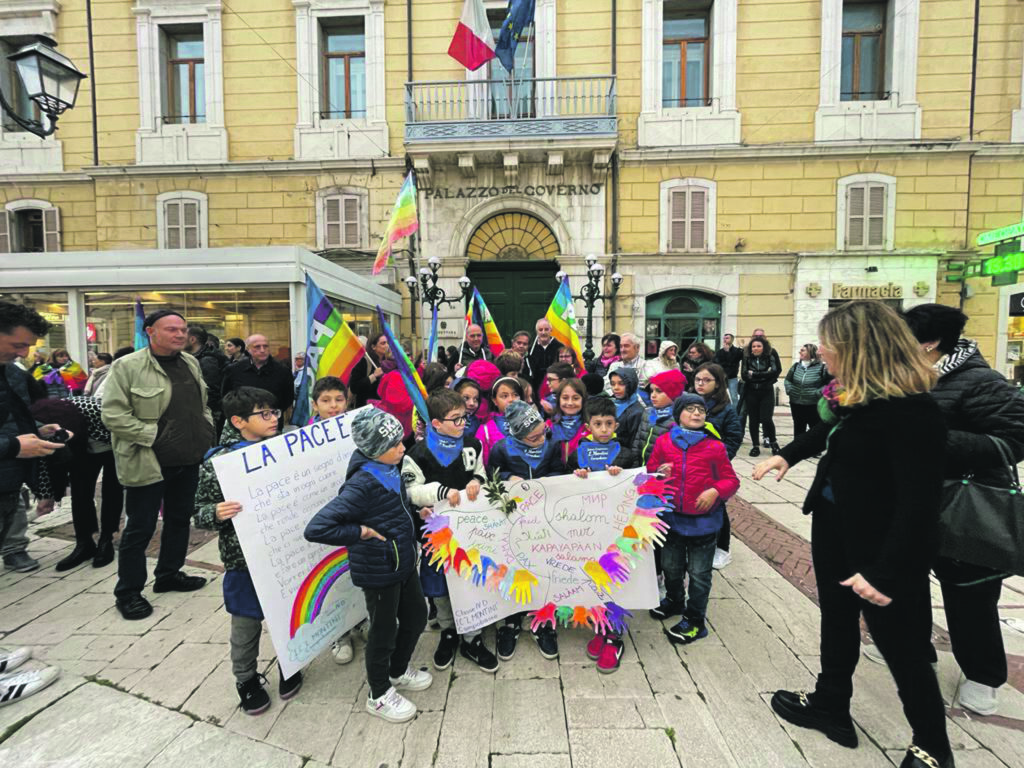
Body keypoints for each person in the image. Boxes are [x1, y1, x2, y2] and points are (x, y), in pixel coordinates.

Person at [753, 300, 953, 768]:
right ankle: (831, 703)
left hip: (880, 545)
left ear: (859, 348)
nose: (821, 351)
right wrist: (787, 455)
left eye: (829, 344)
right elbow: (829, 432)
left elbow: (919, 504)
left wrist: (885, 571)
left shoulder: (912, 412)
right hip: (835, 524)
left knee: (901, 644)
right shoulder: (858, 399)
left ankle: (932, 746)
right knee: (837, 618)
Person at [894, 303, 1024, 718]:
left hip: (964, 504)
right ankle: (918, 651)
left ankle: (983, 675)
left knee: (969, 593)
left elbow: (1013, 441)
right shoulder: (906, 378)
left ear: (929, 343)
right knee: (907, 582)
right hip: (911, 501)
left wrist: (937, 440)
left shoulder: (982, 381)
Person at [305, 409, 431, 724]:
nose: (402, 447)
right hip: (379, 571)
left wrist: (418, 514)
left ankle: (398, 670)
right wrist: (359, 532)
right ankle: (378, 694)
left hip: (404, 562)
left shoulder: (390, 467)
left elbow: (396, 508)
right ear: (375, 450)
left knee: (417, 615)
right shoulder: (362, 484)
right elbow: (316, 528)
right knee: (383, 632)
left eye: (400, 440)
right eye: (394, 444)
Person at [192, 388, 303, 714]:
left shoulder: (285, 448)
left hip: (286, 552)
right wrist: (215, 512)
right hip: (243, 561)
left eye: (275, 411)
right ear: (238, 421)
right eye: (263, 414)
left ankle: (291, 662)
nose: (274, 418)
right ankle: (246, 679)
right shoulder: (218, 462)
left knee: (289, 614)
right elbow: (198, 512)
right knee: (245, 623)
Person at [102, 309, 215, 621]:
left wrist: (205, 430)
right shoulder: (127, 366)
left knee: (179, 520)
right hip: (148, 462)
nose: (180, 334)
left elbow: (201, 405)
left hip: (188, 459)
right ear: (150, 331)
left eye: (183, 329)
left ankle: (168, 574)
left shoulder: (190, 362)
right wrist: (153, 437)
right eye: (171, 329)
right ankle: (128, 592)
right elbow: (113, 415)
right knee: (140, 528)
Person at [403, 390, 496, 673]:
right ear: (436, 424)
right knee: (440, 587)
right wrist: (439, 493)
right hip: (436, 536)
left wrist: (477, 481)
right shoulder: (417, 454)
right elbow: (411, 490)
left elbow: (481, 472)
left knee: (470, 579)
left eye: (464, 417)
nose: (462, 423)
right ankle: (448, 631)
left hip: (470, 532)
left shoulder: (473, 445)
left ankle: (472, 636)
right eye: (455, 419)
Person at [647, 393, 739, 644]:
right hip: (672, 519)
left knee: (699, 574)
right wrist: (658, 473)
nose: (697, 413)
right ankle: (675, 600)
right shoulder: (665, 442)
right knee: (670, 567)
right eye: (690, 409)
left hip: (704, 524)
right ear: (678, 414)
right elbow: (651, 471)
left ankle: (696, 619)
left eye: (701, 409)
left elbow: (731, 480)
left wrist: (715, 491)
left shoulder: (715, 447)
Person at [488, 400, 565, 661]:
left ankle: (541, 619)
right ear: (517, 435)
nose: (541, 439)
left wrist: (547, 482)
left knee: (542, 568)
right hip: (512, 520)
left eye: (543, 433)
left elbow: (559, 471)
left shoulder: (551, 445)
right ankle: (510, 620)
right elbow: (492, 474)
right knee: (512, 566)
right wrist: (508, 478)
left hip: (544, 518)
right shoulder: (501, 449)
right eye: (533, 438)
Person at [1, 303, 69, 579]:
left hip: (8, 477)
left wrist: (39, 430)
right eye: (18, 345)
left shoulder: (13, 373)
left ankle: (13, 548)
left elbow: (16, 417)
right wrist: (15, 446)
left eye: (28, 346)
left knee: (12, 512)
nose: (24, 353)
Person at [567, 395, 632, 674]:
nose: (603, 429)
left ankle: (614, 637)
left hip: (617, 531)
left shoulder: (625, 453)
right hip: (587, 530)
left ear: (616, 424)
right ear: (588, 426)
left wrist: (621, 475)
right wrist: (576, 475)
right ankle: (601, 627)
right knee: (594, 579)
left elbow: (636, 484)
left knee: (615, 581)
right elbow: (564, 486)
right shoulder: (578, 453)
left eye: (608, 423)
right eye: (598, 424)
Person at [30, 395, 123, 570]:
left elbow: (124, 428)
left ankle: (106, 540)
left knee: (112, 492)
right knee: (80, 494)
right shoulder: (42, 424)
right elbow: (46, 462)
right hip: (81, 448)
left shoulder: (94, 409)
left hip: (113, 445)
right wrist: (46, 496)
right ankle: (84, 543)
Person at [693, 363, 743, 570]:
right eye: (698, 379)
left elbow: (734, 438)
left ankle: (722, 548)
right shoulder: (690, 403)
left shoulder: (726, 410)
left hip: (714, 467)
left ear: (718, 383)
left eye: (707, 380)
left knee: (717, 506)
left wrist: (719, 459)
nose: (701, 384)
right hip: (692, 465)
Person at [220, 334, 294, 416]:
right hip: (243, 419)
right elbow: (226, 395)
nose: (262, 350)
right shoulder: (234, 370)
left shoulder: (282, 370)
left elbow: (288, 398)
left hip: (272, 418)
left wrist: (271, 413)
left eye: (265, 346)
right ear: (248, 349)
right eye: (257, 347)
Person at [633, 370, 687, 465]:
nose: (653, 395)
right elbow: (637, 443)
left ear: (673, 393)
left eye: (659, 391)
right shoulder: (647, 412)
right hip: (640, 468)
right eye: (652, 391)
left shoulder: (679, 419)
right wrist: (635, 465)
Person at [741, 337, 781, 456]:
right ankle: (755, 446)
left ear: (764, 347)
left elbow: (775, 371)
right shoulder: (747, 357)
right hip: (751, 391)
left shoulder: (770, 356)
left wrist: (754, 374)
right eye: (754, 346)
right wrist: (764, 374)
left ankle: (773, 443)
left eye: (759, 346)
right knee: (753, 420)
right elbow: (744, 375)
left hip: (766, 391)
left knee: (766, 419)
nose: (756, 348)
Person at [784, 344, 832, 436]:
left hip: (813, 404)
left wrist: (817, 393)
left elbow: (828, 385)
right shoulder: (796, 366)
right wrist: (789, 389)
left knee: (814, 430)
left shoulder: (822, 368)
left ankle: (815, 446)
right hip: (796, 403)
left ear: (811, 352)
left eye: (803, 350)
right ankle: (798, 445)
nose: (800, 352)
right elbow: (787, 380)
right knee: (798, 428)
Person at [476, 377, 524, 465]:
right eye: (504, 396)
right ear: (494, 400)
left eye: (515, 395)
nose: (511, 399)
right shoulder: (485, 430)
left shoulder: (533, 423)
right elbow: (483, 464)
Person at [188, 325, 226, 422]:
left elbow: (211, 390)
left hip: (205, 414)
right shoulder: (194, 358)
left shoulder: (207, 360)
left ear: (192, 340)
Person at [548, 378, 588, 464]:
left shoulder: (590, 428)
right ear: (558, 400)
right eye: (565, 398)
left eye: (575, 398)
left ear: (583, 400)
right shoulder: (547, 426)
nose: (570, 403)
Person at [349, 333, 390, 408]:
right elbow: (354, 387)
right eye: (383, 343)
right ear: (373, 347)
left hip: (383, 408)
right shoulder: (363, 362)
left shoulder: (388, 362)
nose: (386, 346)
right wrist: (374, 376)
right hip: (366, 408)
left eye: (387, 343)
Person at [608, 367, 645, 451]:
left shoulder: (636, 412)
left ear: (631, 385)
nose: (615, 388)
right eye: (613, 384)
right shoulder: (612, 404)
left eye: (621, 384)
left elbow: (634, 444)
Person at [526, 319, 563, 395]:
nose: (543, 332)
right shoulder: (530, 350)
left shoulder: (560, 348)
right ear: (536, 332)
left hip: (555, 390)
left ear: (551, 330)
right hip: (535, 390)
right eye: (540, 330)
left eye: (546, 329)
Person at [713, 334, 743, 404]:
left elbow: (732, 362)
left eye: (727, 338)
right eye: (724, 338)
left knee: (734, 396)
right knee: (721, 396)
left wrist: (727, 352)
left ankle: (735, 410)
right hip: (722, 377)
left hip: (732, 377)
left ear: (732, 339)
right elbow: (717, 363)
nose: (725, 340)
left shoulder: (737, 351)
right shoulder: (719, 352)